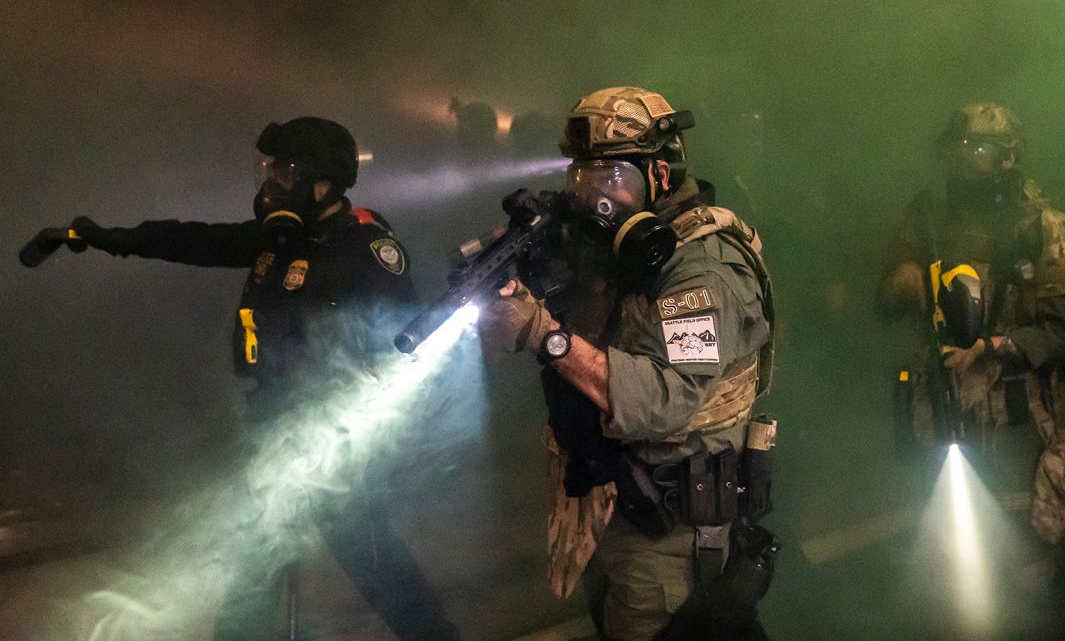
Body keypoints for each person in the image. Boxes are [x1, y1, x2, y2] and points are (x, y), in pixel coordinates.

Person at [63, 117, 457, 639]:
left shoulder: (364, 251)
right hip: (269, 422)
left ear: (323, 183)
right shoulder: (278, 240)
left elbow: (410, 345)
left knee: (381, 571)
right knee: (252, 568)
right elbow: (195, 241)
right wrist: (108, 238)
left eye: (286, 172)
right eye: (269, 170)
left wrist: (351, 413)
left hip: (334, 441)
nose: (272, 184)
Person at [480, 87, 777, 640]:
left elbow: (665, 400)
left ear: (660, 175)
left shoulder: (702, 268)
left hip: (668, 537)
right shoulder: (611, 250)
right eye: (583, 178)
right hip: (604, 511)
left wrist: (545, 334)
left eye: (612, 177)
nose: (596, 196)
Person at [877, 103, 1065, 595]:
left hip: (1013, 425)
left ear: (1008, 159)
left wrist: (990, 347)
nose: (962, 162)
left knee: (1021, 560)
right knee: (947, 564)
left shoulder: (1045, 228)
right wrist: (901, 283)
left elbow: (1062, 336)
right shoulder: (929, 217)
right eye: (955, 150)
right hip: (938, 416)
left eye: (977, 150)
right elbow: (884, 300)